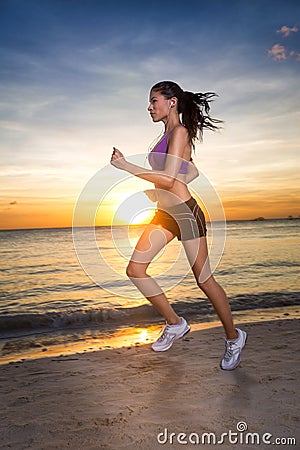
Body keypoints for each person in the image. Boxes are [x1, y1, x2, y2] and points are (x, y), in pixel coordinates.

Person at [110, 81, 247, 370]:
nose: (149, 107)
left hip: (185, 213)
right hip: (164, 215)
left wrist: (127, 167)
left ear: (172, 102)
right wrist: (162, 190)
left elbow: (172, 179)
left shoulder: (181, 132)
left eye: (154, 100)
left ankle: (234, 338)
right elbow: (190, 171)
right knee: (135, 269)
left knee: (204, 281)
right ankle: (175, 323)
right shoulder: (168, 136)